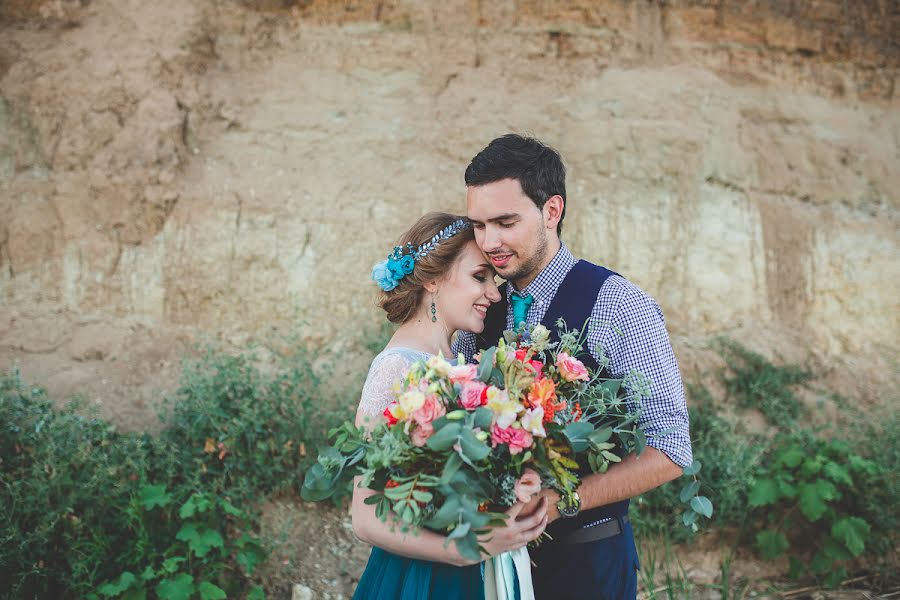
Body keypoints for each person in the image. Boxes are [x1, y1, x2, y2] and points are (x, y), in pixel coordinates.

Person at [453, 135, 693, 600]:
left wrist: (563, 500)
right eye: (479, 225)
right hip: (488, 564)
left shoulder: (622, 306)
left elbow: (671, 448)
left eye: (505, 222)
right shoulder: (478, 307)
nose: (490, 242)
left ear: (552, 210)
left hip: (588, 564)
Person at [352, 212, 550, 600]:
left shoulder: (460, 364)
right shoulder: (397, 367)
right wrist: (460, 551)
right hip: (423, 579)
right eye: (480, 277)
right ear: (432, 279)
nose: (494, 294)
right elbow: (365, 518)